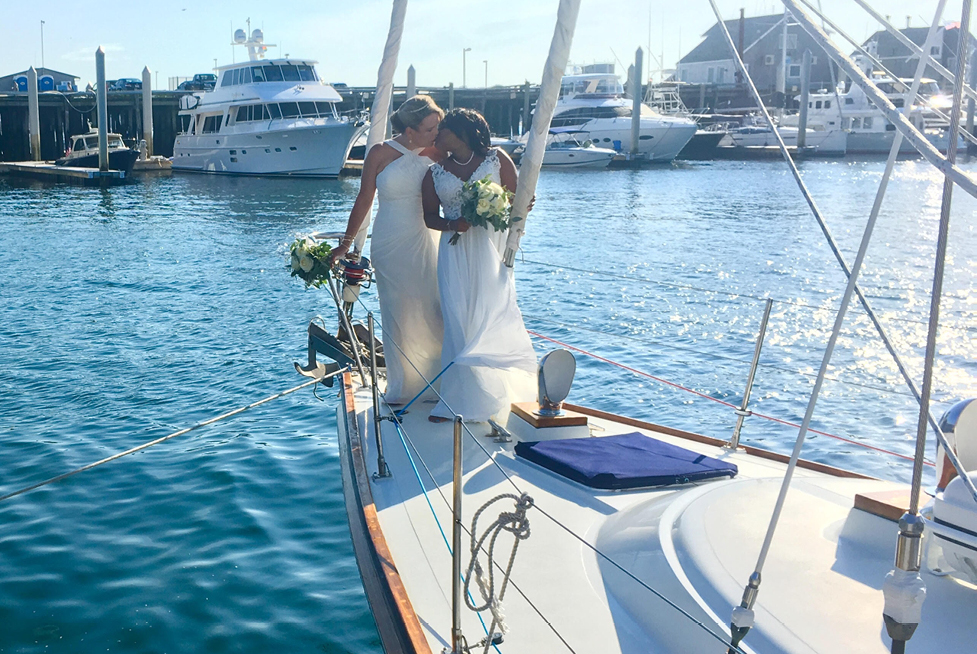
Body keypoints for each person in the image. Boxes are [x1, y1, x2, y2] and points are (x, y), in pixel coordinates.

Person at [421, 109, 537, 423]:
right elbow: (430, 217)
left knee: (490, 315)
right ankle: (459, 401)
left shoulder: (496, 160)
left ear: (461, 133)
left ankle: (499, 394)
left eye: (442, 131)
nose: (437, 137)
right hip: (454, 253)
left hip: (490, 249)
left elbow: (516, 201)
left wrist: (524, 204)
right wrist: (451, 225)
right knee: (458, 319)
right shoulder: (435, 172)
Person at [329, 96, 444, 404]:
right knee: (397, 311)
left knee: (433, 309)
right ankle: (402, 384)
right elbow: (365, 198)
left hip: (425, 238)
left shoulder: (437, 152)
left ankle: (438, 382)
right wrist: (347, 243)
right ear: (410, 129)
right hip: (389, 239)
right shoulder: (380, 152)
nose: (437, 131)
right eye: (430, 126)